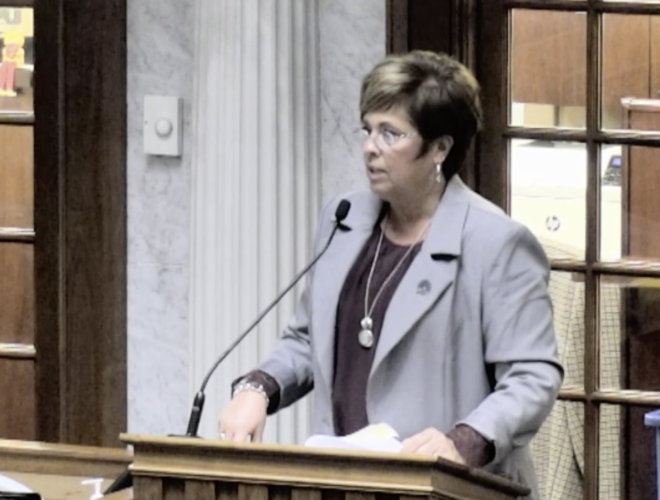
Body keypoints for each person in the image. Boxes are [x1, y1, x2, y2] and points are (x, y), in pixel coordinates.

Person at [218, 50, 563, 499]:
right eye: (368, 129)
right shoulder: (343, 220)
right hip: (343, 485)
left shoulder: (497, 242)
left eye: (390, 133)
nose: (370, 147)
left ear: (440, 147)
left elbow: (533, 375)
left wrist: (462, 443)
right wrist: (257, 388)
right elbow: (306, 340)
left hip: (444, 489)